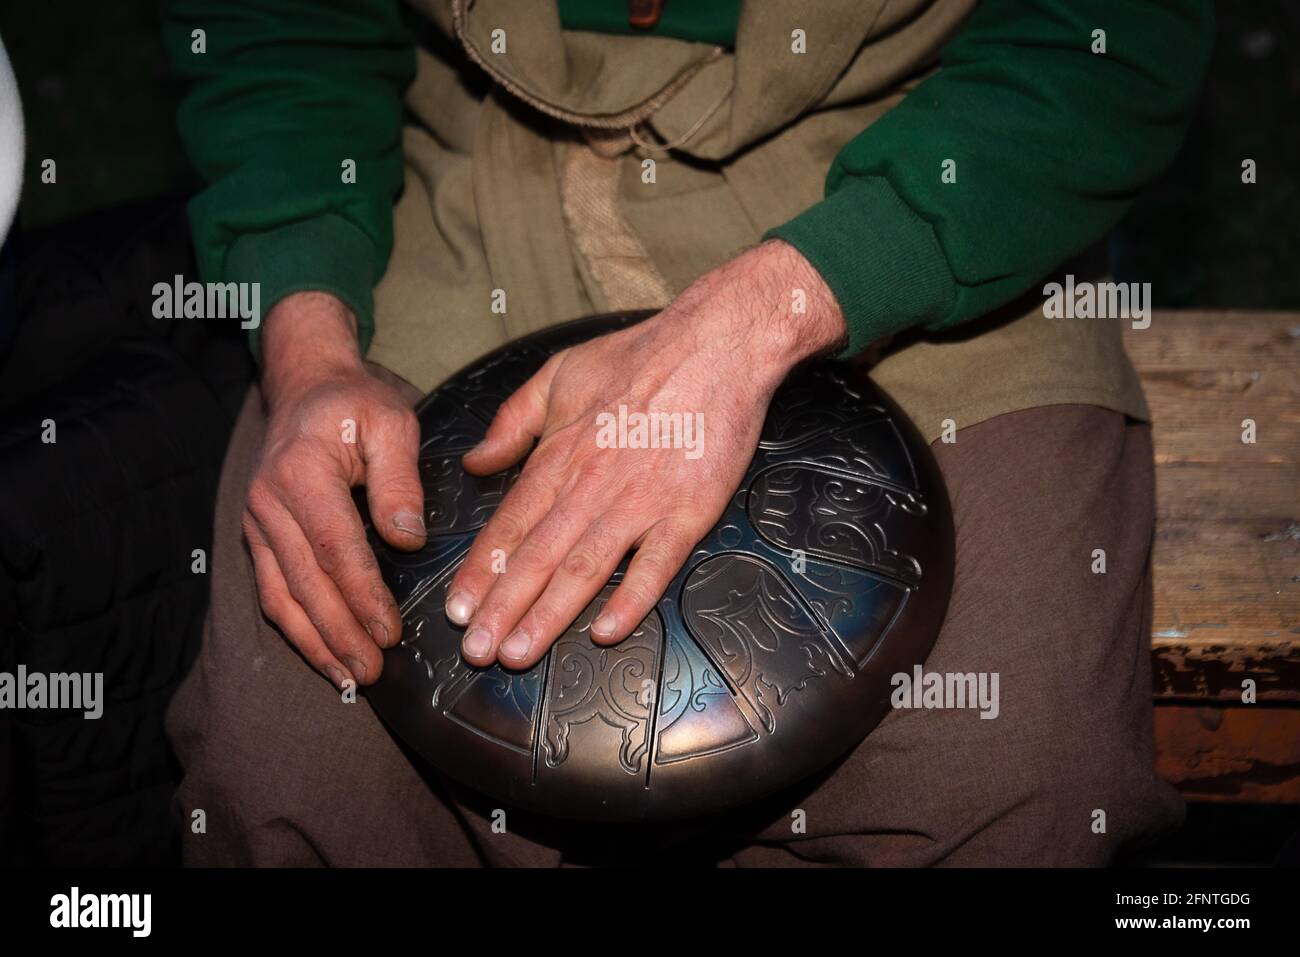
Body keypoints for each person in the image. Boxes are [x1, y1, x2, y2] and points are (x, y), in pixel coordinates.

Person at [162, 0, 1213, 866]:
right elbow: (277, 35)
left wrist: (770, 313)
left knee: (1007, 773)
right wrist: (308, 342)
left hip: (918, 167)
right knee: (290, 777)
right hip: (472, 171)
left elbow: (1102, 40)